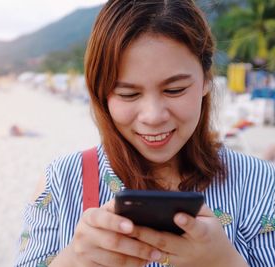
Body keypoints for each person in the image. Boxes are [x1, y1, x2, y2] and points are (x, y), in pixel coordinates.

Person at [14, 0, 275, 266]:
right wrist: (71, 260)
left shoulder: (261, 185)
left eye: (174, 90)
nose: (153, 116)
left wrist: (224, 261)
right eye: (129, 94)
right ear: (101, 94)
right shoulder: (62, 182)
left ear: (206, 78)